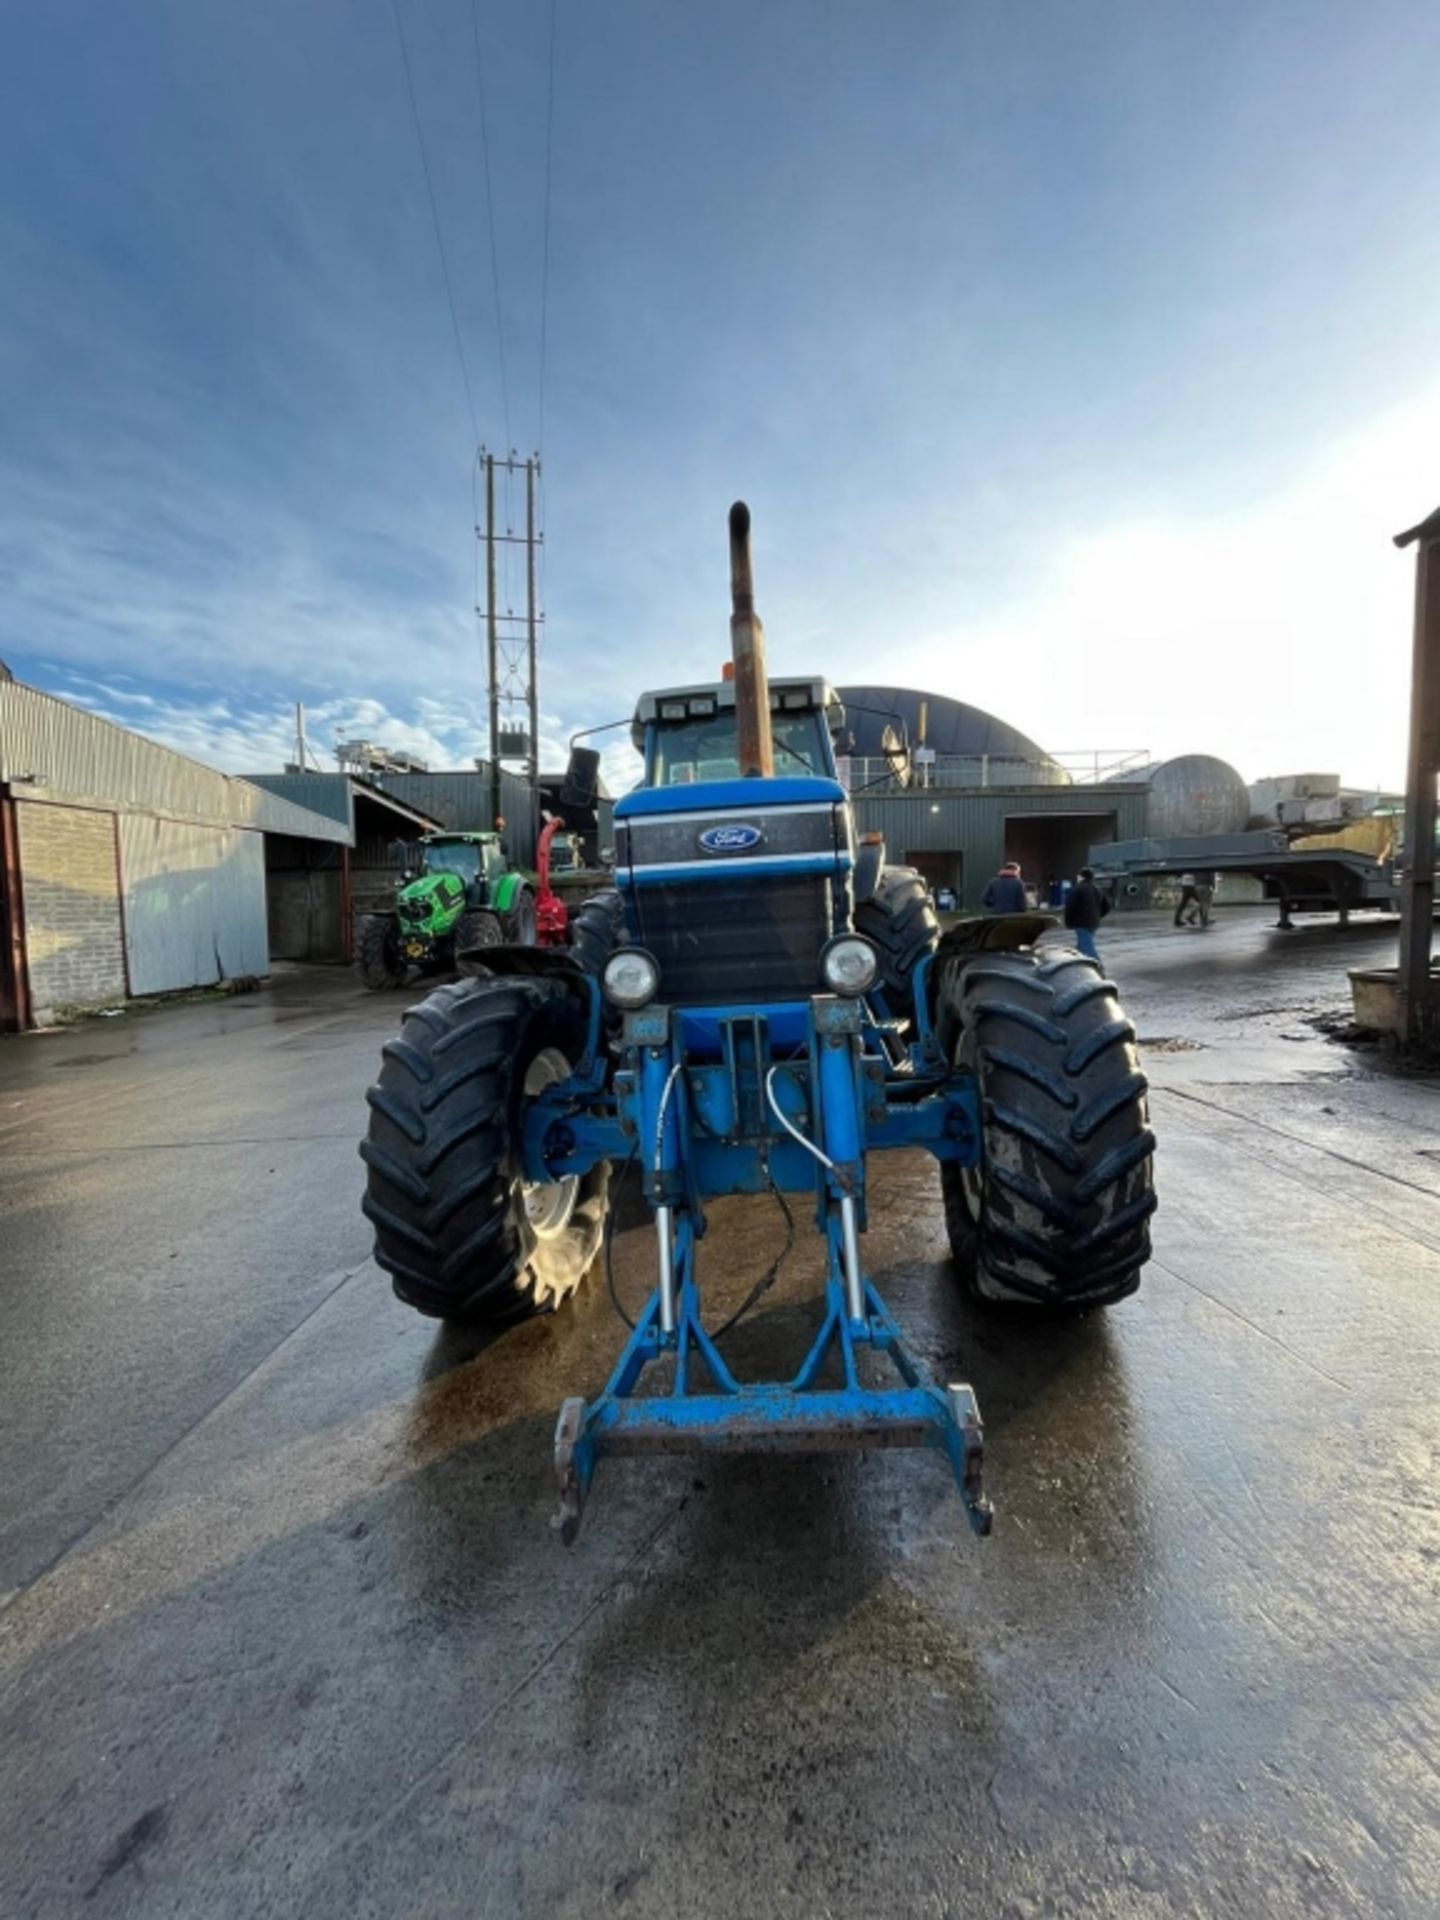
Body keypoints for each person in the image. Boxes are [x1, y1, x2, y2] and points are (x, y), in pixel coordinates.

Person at [1064, 865, 1110, 965]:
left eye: (1078, 876)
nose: (1077, 878)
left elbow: (1070, 906)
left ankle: (1097, 965)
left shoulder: (1078, 888)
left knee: (1086, 946)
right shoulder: (1098, 889)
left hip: (1080, 922)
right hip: (1094, 923)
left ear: (1081, 877)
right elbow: (1107, 906)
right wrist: (1098, 915)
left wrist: (1068, 921)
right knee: (1083, 944)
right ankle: (1081, 965)